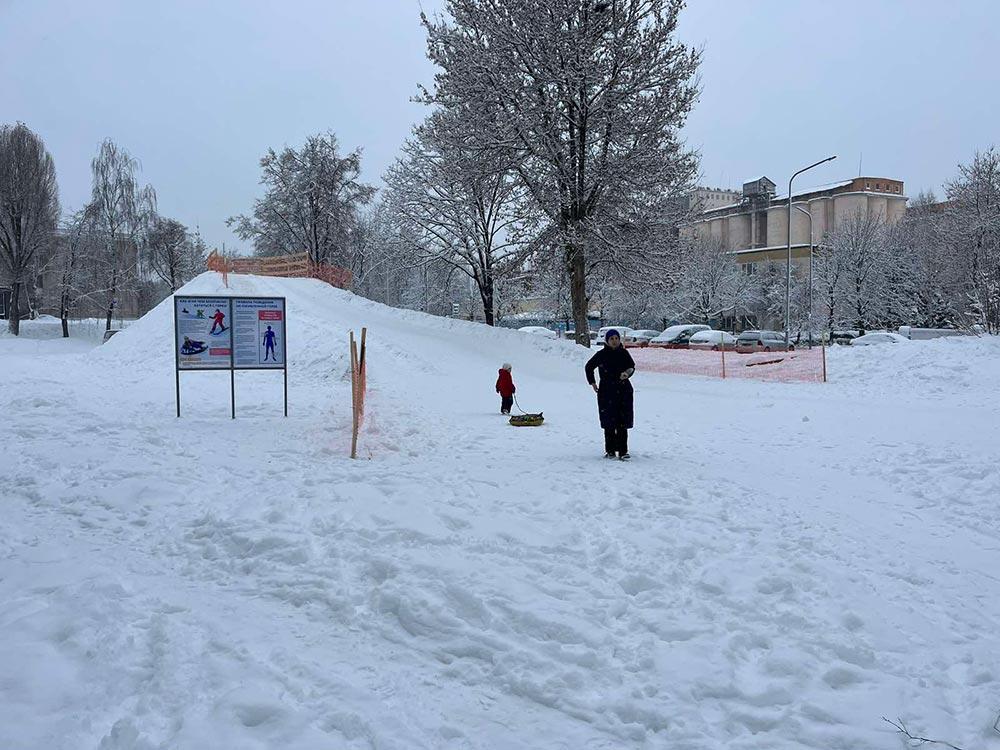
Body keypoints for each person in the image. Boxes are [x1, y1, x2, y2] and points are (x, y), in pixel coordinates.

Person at [584, 329, 635, 460]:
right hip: (607, 392)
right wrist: (593, 383)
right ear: (607, 341)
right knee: (609, 422)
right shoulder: (601, 355)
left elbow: (631, 367)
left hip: (624, 390)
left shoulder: (624, 353)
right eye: (611, 338)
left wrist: (627, 373)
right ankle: (610, 450)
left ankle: (623, 451)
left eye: (616, 338)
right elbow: (589, 367)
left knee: (622, 422)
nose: (614, 341)